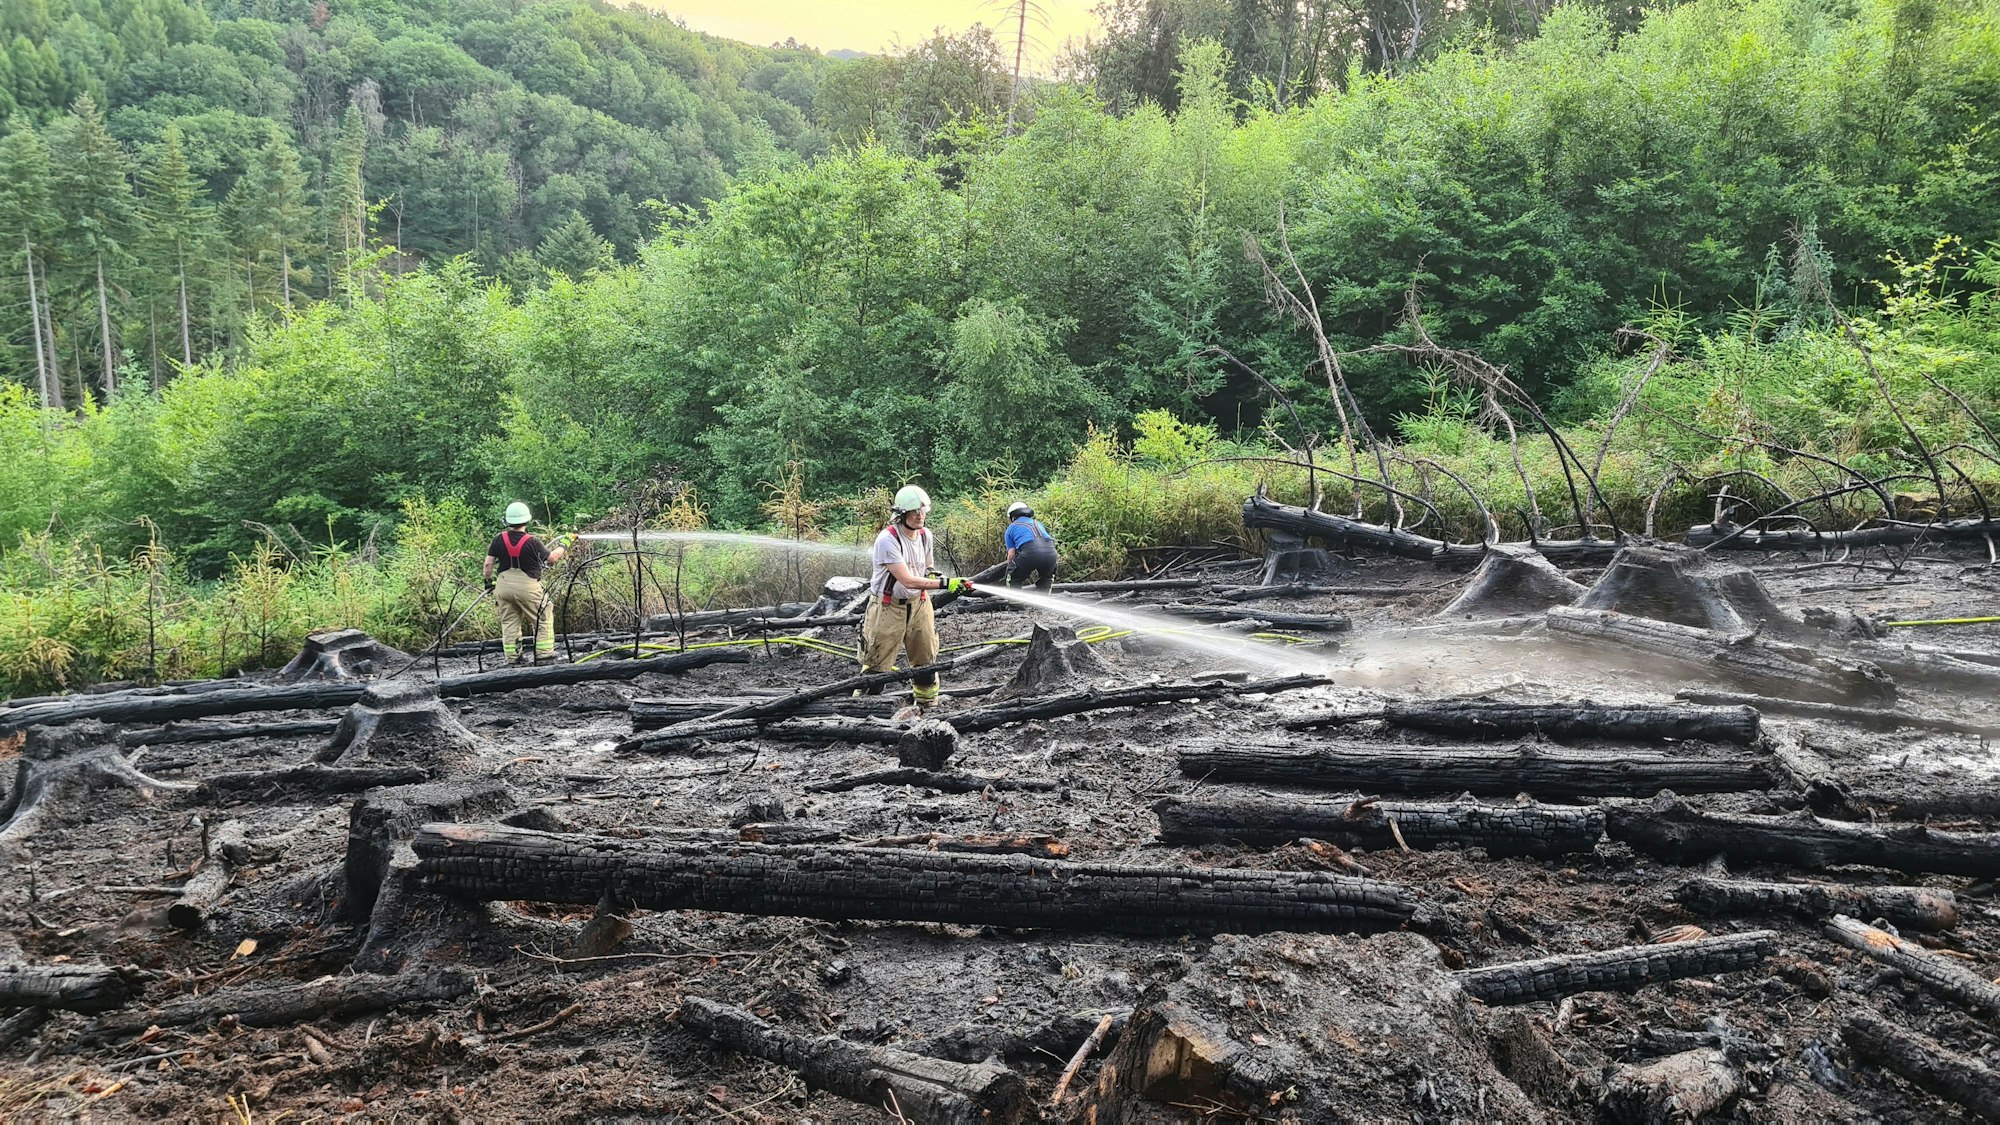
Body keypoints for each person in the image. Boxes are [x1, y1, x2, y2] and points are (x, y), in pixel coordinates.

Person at [860, 484, 973, 709]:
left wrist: (936, 575)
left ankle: (927, 705)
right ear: (902, 514)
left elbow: (926, 567)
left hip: (919, 604)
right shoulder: (887, 540)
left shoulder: (924, 536)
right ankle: (862, 707)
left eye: (923, 510)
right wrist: (946, 584)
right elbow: (908, 579)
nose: (920, 516)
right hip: (888, 607)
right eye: (915, 511)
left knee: (926, 662)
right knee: (876, 665)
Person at [483, 501, 569, 665]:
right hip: (527, 587)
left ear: (508, 521)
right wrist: (565, 544)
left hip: (503, 586)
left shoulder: (498, 539)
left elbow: (488, 564)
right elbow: (551, 559)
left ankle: (513, 658)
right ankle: (544, 656)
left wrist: (488, 582)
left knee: (509, 622)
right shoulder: (532, 541)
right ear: (527, 520)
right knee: (543, 617)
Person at [1002, 501, 1058, 591]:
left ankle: (1015, 605)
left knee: (1013, 579)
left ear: (1013, 516)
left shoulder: (1011, 528)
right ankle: (1042, 604)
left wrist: (1012, 567)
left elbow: (1011, 555)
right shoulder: (1038, 523)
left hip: (1030, 552)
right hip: (1051, 553)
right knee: (1046, 579)